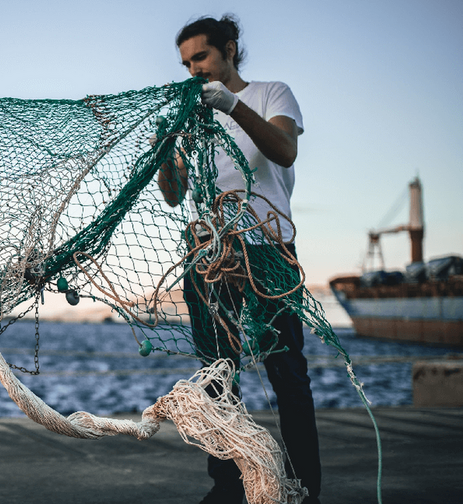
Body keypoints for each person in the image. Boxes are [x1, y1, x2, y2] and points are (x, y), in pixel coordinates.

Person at [162, 15, 322, 504]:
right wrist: (167, 150)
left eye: (201, 57)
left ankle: (301, 487)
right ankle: (228, 486)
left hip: (269, 251)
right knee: (216, 377)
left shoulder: (273, 93)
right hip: (211, 255)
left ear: (229, 50)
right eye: (186, 63)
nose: (194, 70)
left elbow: (285, 150)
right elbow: (174, 194)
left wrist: (232, 105)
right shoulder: (196, 113)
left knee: (287, 373)